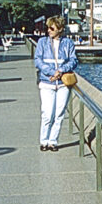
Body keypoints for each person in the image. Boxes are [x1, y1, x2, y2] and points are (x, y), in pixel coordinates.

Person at [34, 16, 78, 152]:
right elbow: (38, 61)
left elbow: (73, 60)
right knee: (47, 113)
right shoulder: (42, 42)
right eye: (48, 28)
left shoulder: (68, 43)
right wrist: (52, 72)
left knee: (59, 114)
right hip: (47, 83)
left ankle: (53, 141)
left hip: (63, 84)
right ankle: (44, 140)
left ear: (60, 29)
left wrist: (61, 71)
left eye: (52, 28)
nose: (49, 30)